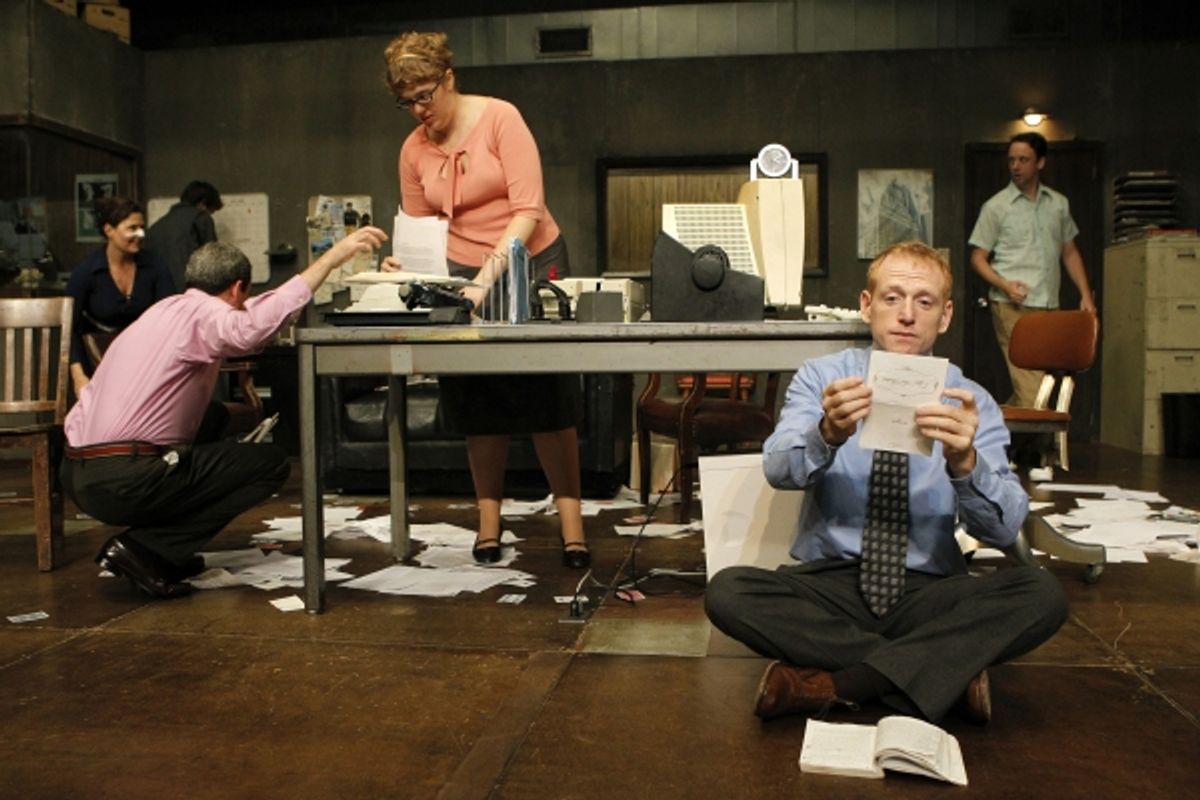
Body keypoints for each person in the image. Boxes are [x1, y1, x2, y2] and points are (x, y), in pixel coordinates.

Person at [705, 241, 1068, 725]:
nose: (906, 315)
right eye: (892, 297)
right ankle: (936, 671)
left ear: (945, 316)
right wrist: (826, 434)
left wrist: (965, 461)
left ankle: (838, 683)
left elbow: (1005, 529)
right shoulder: (823, 379)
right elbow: (777, 468)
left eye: (924, 302)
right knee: (728, 591)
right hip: (831, 581)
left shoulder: (970, 400)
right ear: (866, 305)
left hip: (928, 587)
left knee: (1042, 595)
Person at [62, 227, 388, 598]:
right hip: (123, 478)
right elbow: (249, 329)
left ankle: (166, 550)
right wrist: (331, 259)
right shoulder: (205, 315)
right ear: (236, 288)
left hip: (78, 472)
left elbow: (248, 317)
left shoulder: (165, 310)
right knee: (269, 464)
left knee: (215, 415)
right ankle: (145, 549)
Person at [380, 31, 589, 569]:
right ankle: (489, 523)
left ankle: (572, 528)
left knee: (548, 393)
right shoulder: (413, 149)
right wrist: (405, 263)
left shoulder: (501, 119)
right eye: (407, 103)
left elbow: (528, 209)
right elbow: (419, 227)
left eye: (426, 95)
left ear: (449, 79)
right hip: (460, 271)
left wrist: (486, 280)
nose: (419, 111)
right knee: (477, 396)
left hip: (529, 258)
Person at [968, 132, 1095, 407]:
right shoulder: (996, 207)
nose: (1015, 166)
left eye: (1023, 160)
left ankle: (995, 434)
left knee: (1040, 392)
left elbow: (1069, 251)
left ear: (1040, 163)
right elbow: (977, 258)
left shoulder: (1058, 204)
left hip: (1049, 307)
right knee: (1033, 391)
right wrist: (1004, 285)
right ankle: (1029, 448)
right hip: (1011, 307)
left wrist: (1085, 294)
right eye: (1012, 160)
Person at [65, 196, 177, 397]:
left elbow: (170, 319)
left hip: (145, 365)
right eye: (132, 228)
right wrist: (79, 377)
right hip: (98, 367)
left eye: (142, 227)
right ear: (109, 230)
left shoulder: (155, 266)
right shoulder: (86, 272)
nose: (140, 234)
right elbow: (69, 329)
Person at [144, 180, 224, 292]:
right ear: (202, 204)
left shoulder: (156, 227)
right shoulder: (201, 218)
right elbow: (213, 262)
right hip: (192, 293)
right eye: (211, 211)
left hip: (161, 296)